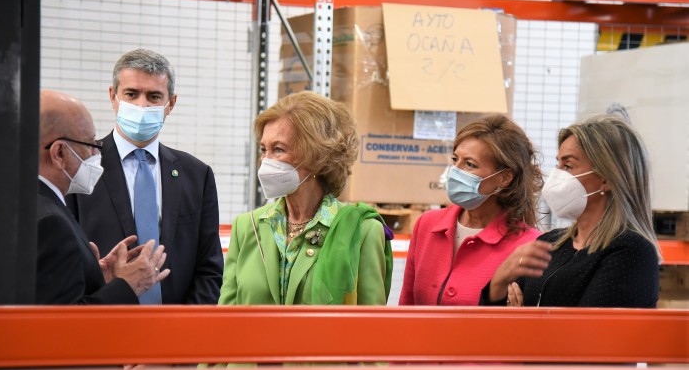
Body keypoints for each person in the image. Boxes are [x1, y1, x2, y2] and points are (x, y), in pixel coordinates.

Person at [68, 49, 224, 304]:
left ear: (170, 104)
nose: (142, 105)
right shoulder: (80, 165)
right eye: (131, 94)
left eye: (154, 96)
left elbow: (209, 268)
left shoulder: (197, 175)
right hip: (103, 326)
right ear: (113, 96)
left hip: (176, 332)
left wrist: (184, 330)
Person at [220, 91, 392, 306]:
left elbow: (371, 327)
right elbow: (227, 316)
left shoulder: (363, 230)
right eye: (264, 149)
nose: (265, 161)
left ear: (317, 156)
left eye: (278, 149)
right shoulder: (247, 227)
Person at [481, 114, 660, 308]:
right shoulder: (549, 244)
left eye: (568, 165)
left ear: (607, 179)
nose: (556, 175)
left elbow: (589, 332)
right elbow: (492, 319)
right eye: (557, 164)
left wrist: (524, 319)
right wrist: (498, 284)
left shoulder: (631, 251)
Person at [37, 90, 169, 304]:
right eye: (90, 145)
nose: (95, 155)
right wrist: (126, 286)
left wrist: (94, 277)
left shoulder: (31, 204)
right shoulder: (49, 222)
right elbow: (61, 325)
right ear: (59, 153)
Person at [399, 115, 543, 306]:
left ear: (504, 178)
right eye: (455, 159)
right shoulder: (427, 225)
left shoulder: (529, 245)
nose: (455, 171)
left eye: (470, 164)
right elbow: (406, 308)